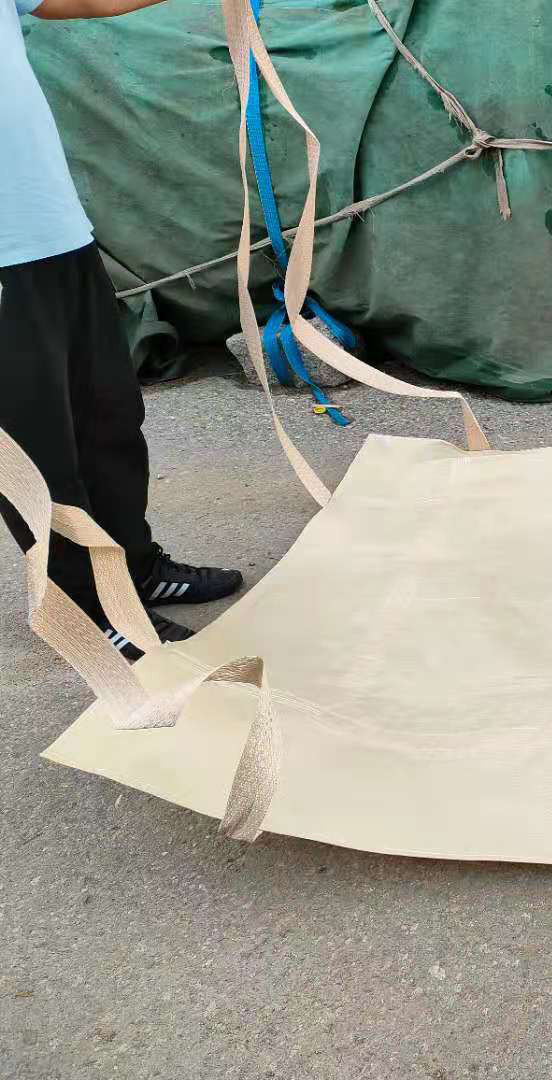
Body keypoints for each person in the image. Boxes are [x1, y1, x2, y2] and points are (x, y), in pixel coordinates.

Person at [0, 0, 241, 661]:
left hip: (56, 234)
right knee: (37, 453)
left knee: (108, 416)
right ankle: (89, 609)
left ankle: (133, 568)